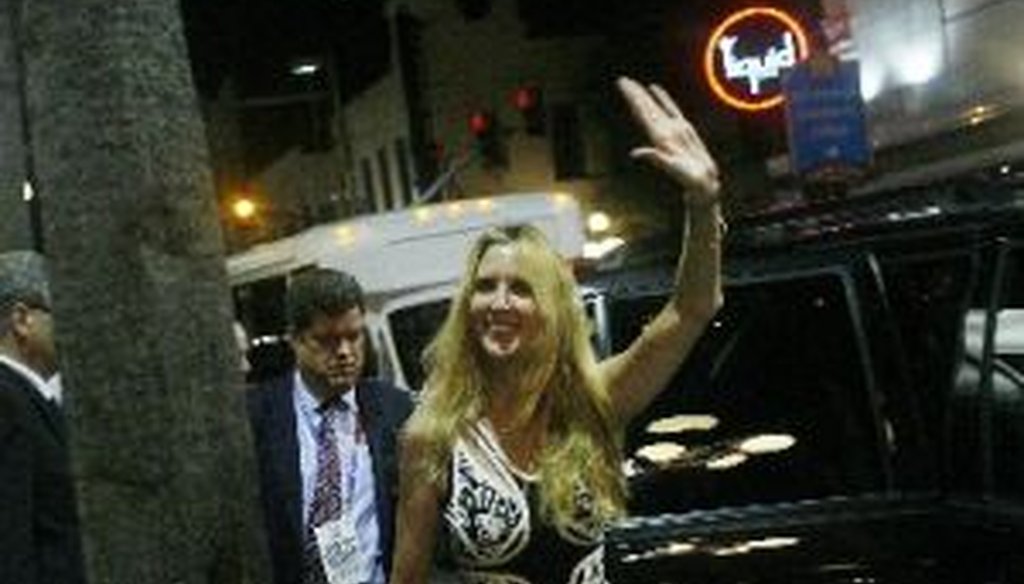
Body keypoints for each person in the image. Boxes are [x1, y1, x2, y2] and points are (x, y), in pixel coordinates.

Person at [391, 76, 724, 584]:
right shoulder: (432, 434)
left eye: (521, 289)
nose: (499, 303)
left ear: (552, 310)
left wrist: (703, 203)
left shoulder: (593, 400)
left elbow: (692, 309)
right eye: (485, 287)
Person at [247, 268, 414, 584]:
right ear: (295, 339)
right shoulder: (259, 417)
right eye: (326, 340)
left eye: (354, 336)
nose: (345, 352)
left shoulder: (395, 409)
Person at [0, 251, 86, 584]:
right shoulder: (6, 405)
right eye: (62, 313)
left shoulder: (27, 397)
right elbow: (11, 545)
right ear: (22, 320)